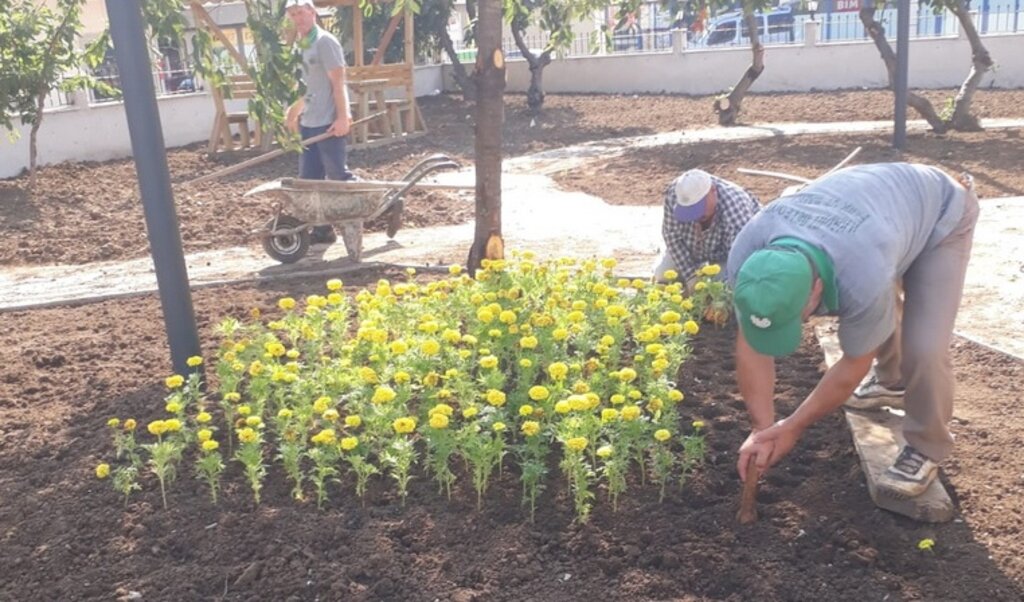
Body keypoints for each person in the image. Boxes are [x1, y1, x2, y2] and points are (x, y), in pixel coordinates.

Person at [728, 162, 979, 500]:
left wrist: (792, 426)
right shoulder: (747, 258)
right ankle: (892, 381)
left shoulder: (863, 274)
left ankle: (927, 446)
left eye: (797, 317)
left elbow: (852, 366)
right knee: (873, 306)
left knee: (924, 347)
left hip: (941, 214)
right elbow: (750, 347)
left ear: (817, 290)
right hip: (877, 218)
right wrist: (763, 429)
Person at [285, 0, 354, 244]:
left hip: (328, 122)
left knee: (337, 176)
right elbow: (305, 88)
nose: (298, 18)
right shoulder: (300, 45)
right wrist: (293, 113)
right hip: (309, 122)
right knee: (309, 178)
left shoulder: (325, 42)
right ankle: (323, 230)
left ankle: (385, 205)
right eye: (293, 14)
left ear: (313, 12)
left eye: (301, 13)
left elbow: (338, 83)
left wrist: (343, 117)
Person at [654, 168, 761, 285]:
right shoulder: (675, 194)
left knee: (720, 284)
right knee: (662, 274)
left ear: (713, 191)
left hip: (725, 253)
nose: (696, 216)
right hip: (693, 247)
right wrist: (691, 276)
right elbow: (672, 236)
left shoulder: (735, 205)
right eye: (689, 211)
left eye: (698, 208)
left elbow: (740, 257)